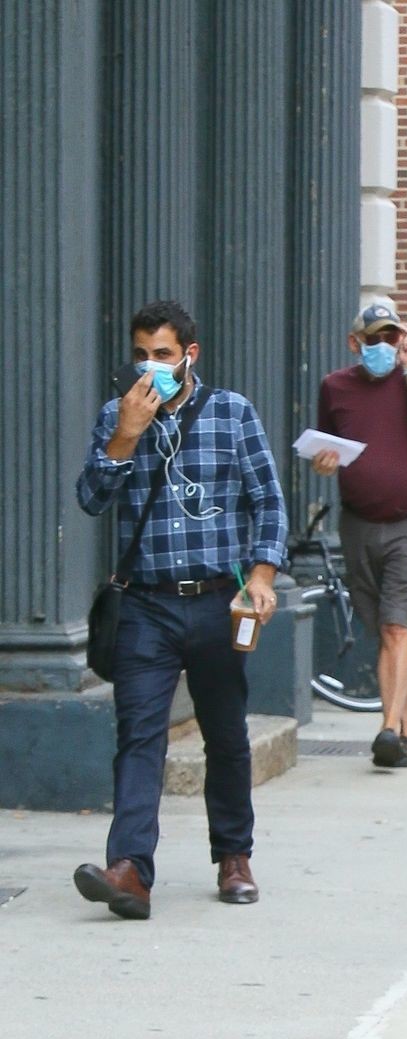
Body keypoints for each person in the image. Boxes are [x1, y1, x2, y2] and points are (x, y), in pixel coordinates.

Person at [74, 299, 287, 920]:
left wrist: (263, 576)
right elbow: (90, 498)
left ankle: (234, 856)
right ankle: (129, 870)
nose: (150, 366)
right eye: (141, 354)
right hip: (146, 605)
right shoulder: (117, 414)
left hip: (219, 600)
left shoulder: (231, 412)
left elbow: (268, 501)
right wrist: (126, 435)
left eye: (162, 354)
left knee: (226, 734)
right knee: (139, 737)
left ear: (189, 355)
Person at [313, 301, 407, 770]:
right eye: (374, 340)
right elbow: (327, 448)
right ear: (355, 344)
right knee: (387, 633)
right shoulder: (335, 387)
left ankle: (387, 728)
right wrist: (323, 463)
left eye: (392, 337)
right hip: (358, 524)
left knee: (395, 625)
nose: (383, 346)